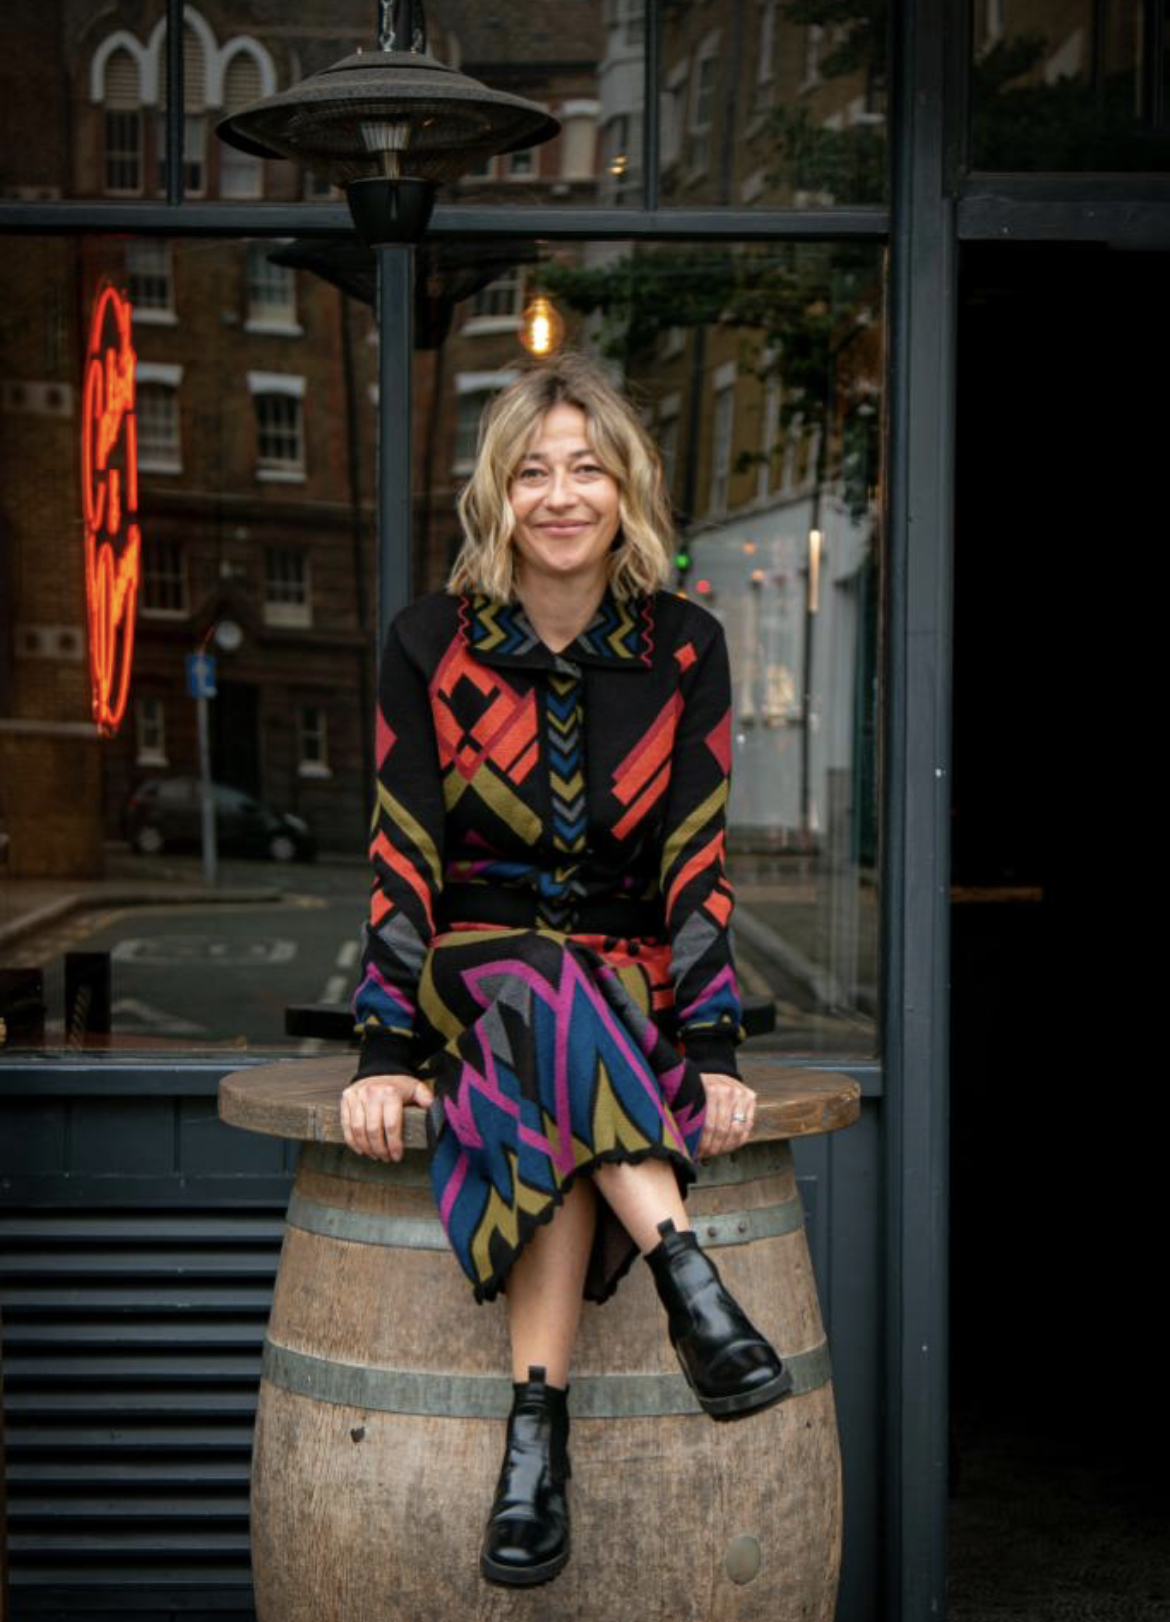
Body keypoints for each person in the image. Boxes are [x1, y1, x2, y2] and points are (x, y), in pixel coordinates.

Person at [341, 352, 791, 1589]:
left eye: (586, 467)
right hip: (470, 957)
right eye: (532, 470)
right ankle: (688, 1276)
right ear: (498, 493)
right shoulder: (430, 640)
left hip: (622, 976)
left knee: (561, 1045)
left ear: (625, 488)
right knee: (539, 982)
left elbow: (694, 859)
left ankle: (534, 1435)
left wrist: (709, 1048)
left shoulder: (683, 647)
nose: (560, 494)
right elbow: (403, 848)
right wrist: (383, 1046)